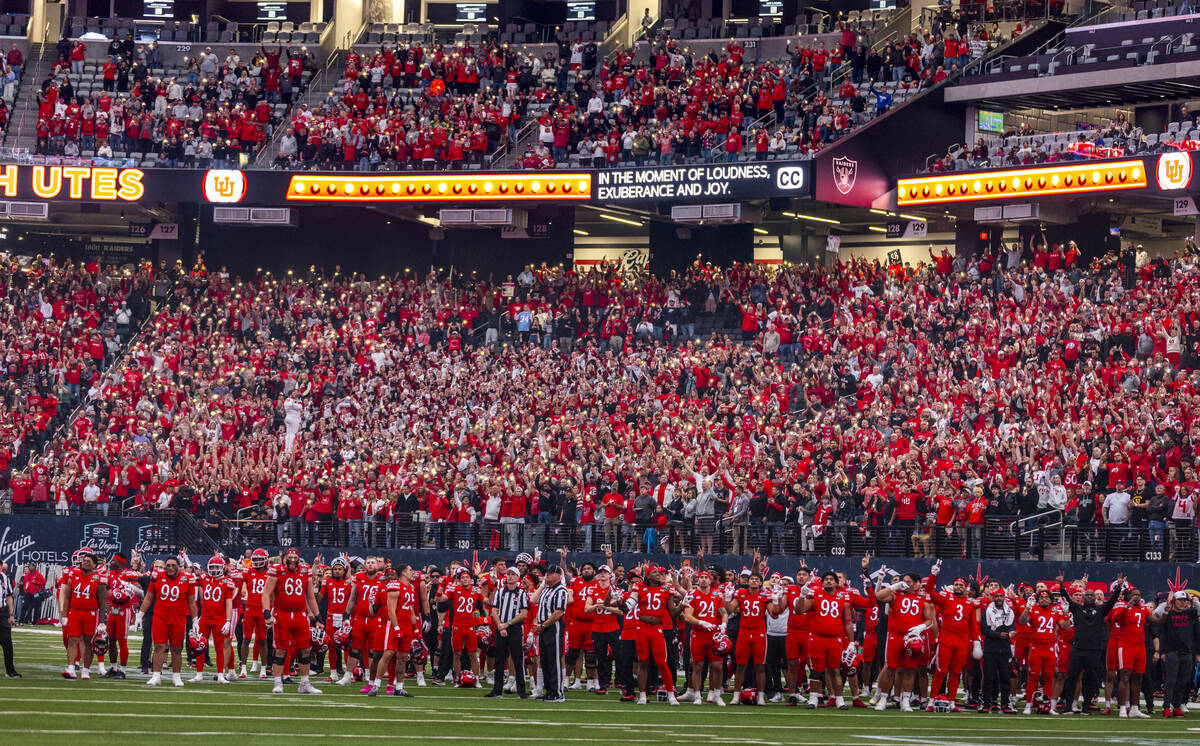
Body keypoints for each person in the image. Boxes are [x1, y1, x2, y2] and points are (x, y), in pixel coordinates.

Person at [1057, 571, 1124, 714]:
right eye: (1086, 595)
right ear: (1082, 597)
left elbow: (1112, 601)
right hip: (1078, 649)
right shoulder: (1076, 609)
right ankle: (1068, 706)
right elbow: (1066, 598)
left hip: (1094, 650)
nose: (1088, 597)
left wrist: (1118, 587)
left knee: (1090, 680)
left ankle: (1086, 706)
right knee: (1072, 678)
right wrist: (1061, 585)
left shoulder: (1100, 610)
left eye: (1091, 595)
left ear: (1095, 598)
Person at [262, 547, 322, 694]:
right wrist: (267, 613)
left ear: (299, 559)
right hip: (282, 614)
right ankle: (278, 682)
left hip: (300, 615)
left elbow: (310, 597)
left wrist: (318, 616)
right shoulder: (277, 571)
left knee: (305, 650)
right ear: (285, 558)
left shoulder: (304, 571)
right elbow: (266, 593)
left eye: (295, 557)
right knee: (280, 650)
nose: (293, 560)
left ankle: (305, 684)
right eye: (290, 557)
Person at [140, 555, 196, 687]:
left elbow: (192, 602)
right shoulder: (157, 577)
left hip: (178, 619)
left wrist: (194, 620)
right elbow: (148, 598)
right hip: (160, 618)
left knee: (176, 649)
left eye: (173, 565)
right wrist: (140, 614)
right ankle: (156, 676)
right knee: (159, 647)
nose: (170, 568)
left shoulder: (187, 579)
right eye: (168, 566)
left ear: (178, 567)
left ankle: (176, 676)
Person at [680, 569, 728, 705]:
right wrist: (701, 622)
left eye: (706, 577)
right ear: (697, 580)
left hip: (713, 634)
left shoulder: (717, 594)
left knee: (717, 665)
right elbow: (688, 616)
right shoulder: (692, 594)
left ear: (710, 580)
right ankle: (697, 695)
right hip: (698, 634)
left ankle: (717, 694)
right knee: (697, 665)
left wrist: (724, 624)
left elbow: (723, 612)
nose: (704, 580)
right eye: (701, 577)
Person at [60, 550, 108, 680]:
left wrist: (102, 621)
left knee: (88, 642)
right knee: (72, 640)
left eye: (88, 561)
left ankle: (86, 670)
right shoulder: (74, 574)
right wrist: (64, 615)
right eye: (84, 560)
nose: (85, 563)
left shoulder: (99, 578)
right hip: (74, 612)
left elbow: (102, 603)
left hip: (91, 613)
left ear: (94, 565)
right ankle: (70, 669)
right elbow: (67, 597)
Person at [488, 567, 530, 699]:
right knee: (499, 659)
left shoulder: (522, 593)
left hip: (515, 629)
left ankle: (521, 690)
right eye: (509, 574)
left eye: (513, 574)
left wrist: (507, 624)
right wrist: (501, 625)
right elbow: (493, 610)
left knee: (518, 660)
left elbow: (523, 614)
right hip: (501, 627)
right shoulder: (500, 592)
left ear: (518, 578)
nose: (510, 577)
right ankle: (497, 690)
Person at [191, 555, 234, 684]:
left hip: (219, 619)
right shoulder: (205, 578)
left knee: (219, 648)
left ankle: (221, 674)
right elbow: (191, 581)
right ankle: (199, 674)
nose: (214, 569)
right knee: (199, 646)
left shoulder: (227, 582)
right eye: (212, 567)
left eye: (216, 567)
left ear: (222, 568)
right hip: (205, 618)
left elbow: (228, 603)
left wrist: (228, 621)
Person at [532, 564, 568, 702]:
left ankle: (558, 693)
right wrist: (539, 624)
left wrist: (544, 625)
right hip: (543, 627)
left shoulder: (561, 590)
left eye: (551, 573)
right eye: (547, 573)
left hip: (554, 627)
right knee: (545, 660)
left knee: (554, 660)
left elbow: (559, 612)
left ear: (559, 575)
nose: (548, 575)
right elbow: (533, 601)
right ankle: (549, 690)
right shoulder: (546, 589)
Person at [980, 587, 1015, 713]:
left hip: (1005, 649)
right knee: (989, 678)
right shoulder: (987, 611)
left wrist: (1011, 632)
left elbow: (1011, 625)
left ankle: (1005, 704)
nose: (999, 598)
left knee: (1005, 678)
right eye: (997, 596)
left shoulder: (1009, 611)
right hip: (991, 648)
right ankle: (986, 703)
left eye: (1001, 596)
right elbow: (984, 629)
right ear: (993, 597)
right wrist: (998, 635)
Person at [0, 561, 18, 677]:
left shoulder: (4, 578)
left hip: (2, 613)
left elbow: (9, 597)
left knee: (7, 642)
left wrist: (11, 615)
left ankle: (10, 670)